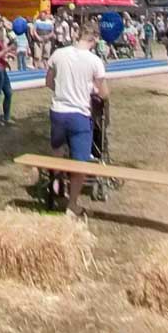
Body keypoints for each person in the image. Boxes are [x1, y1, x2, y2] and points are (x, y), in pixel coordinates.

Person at [43, 23, 111, 213]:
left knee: (57, 151)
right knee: (79, 161)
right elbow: (104, 93)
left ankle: (56, 187)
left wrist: (64, 90)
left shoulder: (58, 54)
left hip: (58, 110)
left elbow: (48, 81)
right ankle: (72, 204)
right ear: (94, 38)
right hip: (79, 114)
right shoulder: (94, 61)